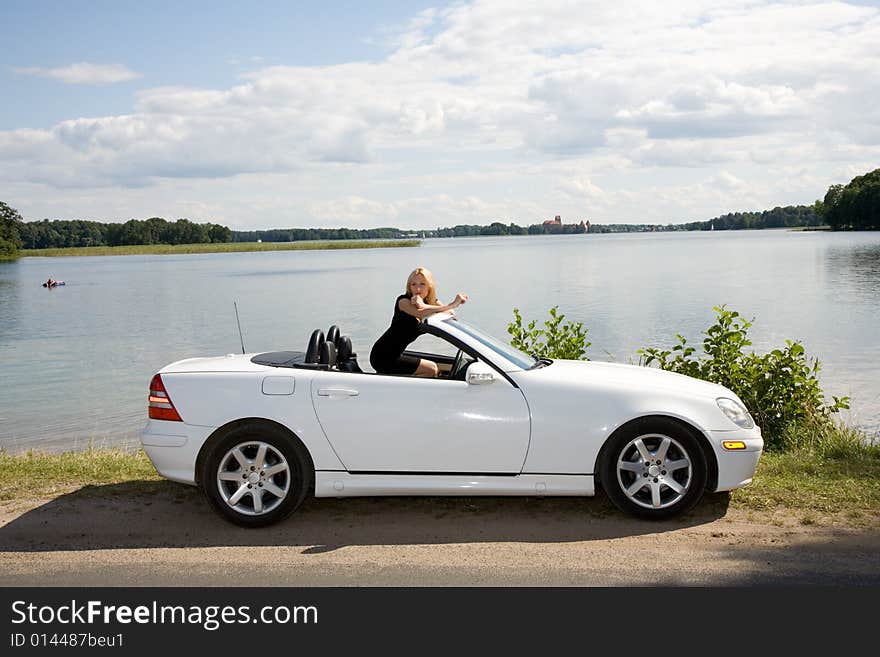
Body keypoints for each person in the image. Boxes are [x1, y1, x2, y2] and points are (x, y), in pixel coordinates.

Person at [370, 267, 468, 377]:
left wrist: (424, 305)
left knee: (435, 367)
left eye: (422, 284)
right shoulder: (403, 301)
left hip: (396, 354)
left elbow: (451, 314)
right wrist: (453, 304)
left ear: (429, 286)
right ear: (409, 287)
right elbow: (421, 313)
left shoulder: (431, 303)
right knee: (431, 369)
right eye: (414, 284)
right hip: (382, 355)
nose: (418, 289)